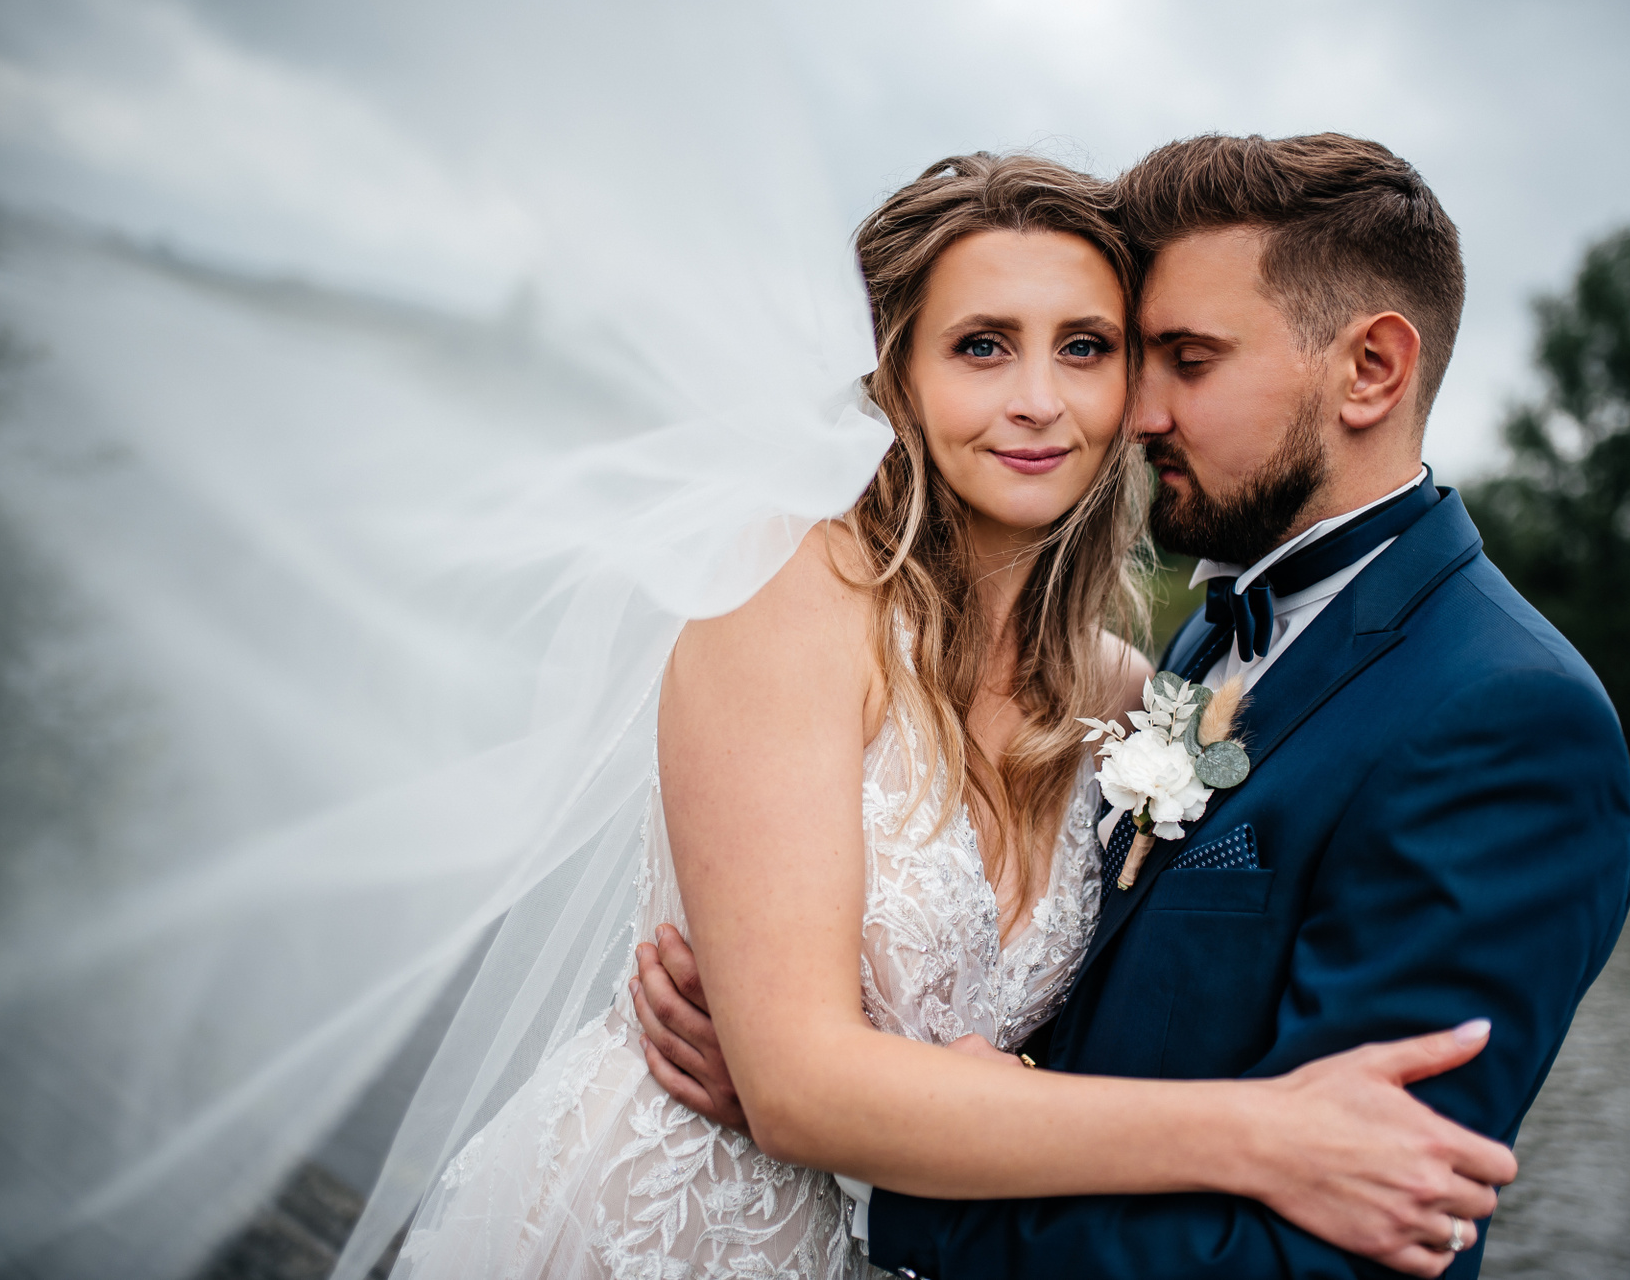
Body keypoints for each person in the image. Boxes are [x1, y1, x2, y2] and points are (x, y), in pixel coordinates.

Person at [393, 152, 1515, 1280]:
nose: (1038, 398)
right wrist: (1264, 1133)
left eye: (1086, 347)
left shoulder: (1131, 693)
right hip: (651, 1226)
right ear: (899, 376)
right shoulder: (788, 596)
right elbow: (795, 1088)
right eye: (982, 346)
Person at [634, 134, 1630, 1279]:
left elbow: (1343, 1241)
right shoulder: (1198, 646)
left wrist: (865, 1162)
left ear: (1370, 370)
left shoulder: (1507, 718)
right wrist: (836, 1084)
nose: (1132, 412)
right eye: (1134, 356)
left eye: (1183, 360)